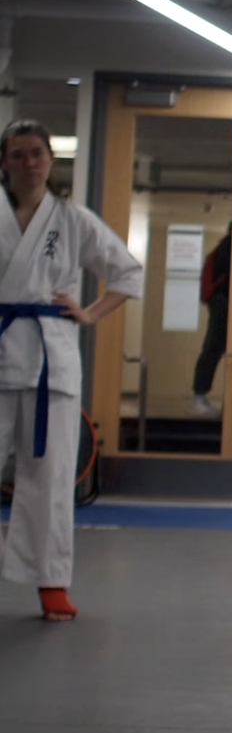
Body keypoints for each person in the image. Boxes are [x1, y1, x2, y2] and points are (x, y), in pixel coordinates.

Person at [0, 119, 143, 621]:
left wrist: (89, 313)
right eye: (18, 154)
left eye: (37, 153)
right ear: (5, 162)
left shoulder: (71, 218)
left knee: (52, 477)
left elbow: (128, 271)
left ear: (50, 160)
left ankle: (51, 581)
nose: (29, 163)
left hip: (50, 361)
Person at [190, 222, 231, 416]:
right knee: (214, 348)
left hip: (219, 303)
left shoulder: (222, 247)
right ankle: (200, 397)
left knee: (213, 349)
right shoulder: (230, 248)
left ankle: (201, 397)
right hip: (223, 304)